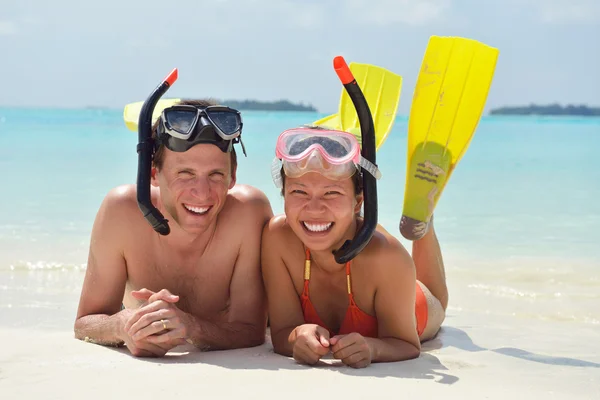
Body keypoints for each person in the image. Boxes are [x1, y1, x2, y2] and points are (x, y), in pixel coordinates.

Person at [74, 99, 273, 357]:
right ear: (153, 174)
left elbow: (251, 331)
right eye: (185, 173)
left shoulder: (249, 213)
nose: (202, 193)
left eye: (215, 175)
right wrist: (122, 325)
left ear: (233, 176)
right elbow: (85, 323)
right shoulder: (122, 212)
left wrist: (190, 327)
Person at [261, 126, 448, 368]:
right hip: (352, 233)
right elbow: (282, 332)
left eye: (331, 193)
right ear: (284, 195)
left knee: (437, 302)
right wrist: (296, 336)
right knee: (337, 226)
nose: (314, 208)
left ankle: (423, 221)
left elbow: (408, 345)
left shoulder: (387, 259)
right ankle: (348, 223)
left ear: (359, 200)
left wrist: (373, 348)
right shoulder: (277, 239)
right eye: (299, 191)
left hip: (412, 305)